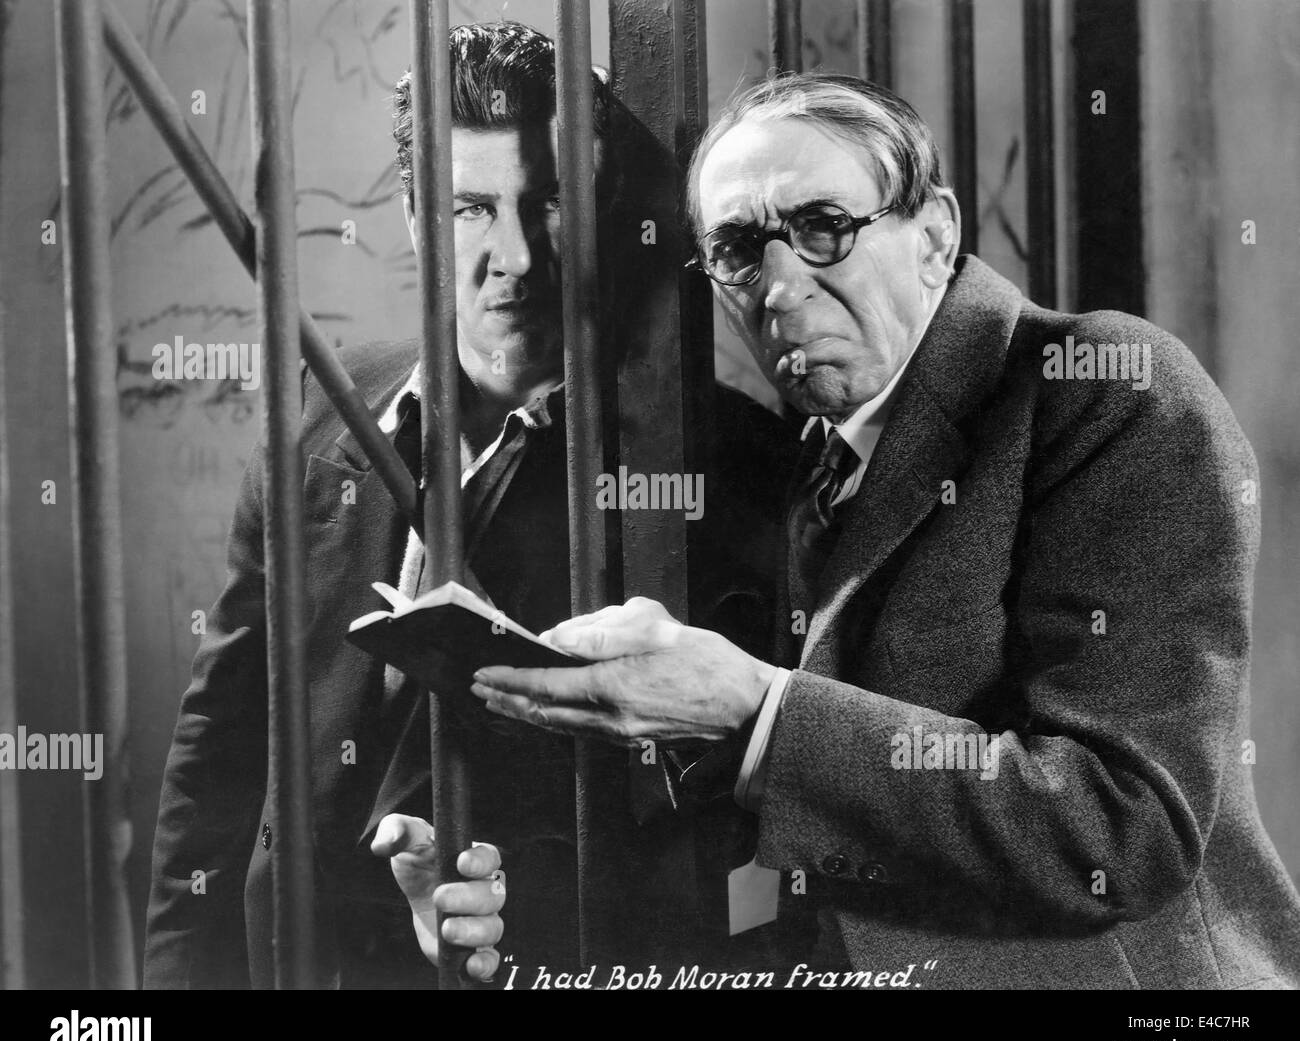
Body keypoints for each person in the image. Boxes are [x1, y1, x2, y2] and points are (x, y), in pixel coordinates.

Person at [472, 72, 1300, 989]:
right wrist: (516, 897)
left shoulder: (1104, 387)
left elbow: (1123, 826)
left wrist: (758, 707)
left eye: (824, 227)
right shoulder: (822, 452)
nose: (781, 290)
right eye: (740, 251)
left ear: (936, 237)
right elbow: (817, 830)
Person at [143, 21, 795, 989]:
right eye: (469, 208)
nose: (516, 256)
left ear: (604, 207)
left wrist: (528, 895)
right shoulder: (323, 412)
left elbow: (748, 798)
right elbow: (219, 758)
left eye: (549, 203)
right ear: (414, 216)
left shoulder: (726, 459)